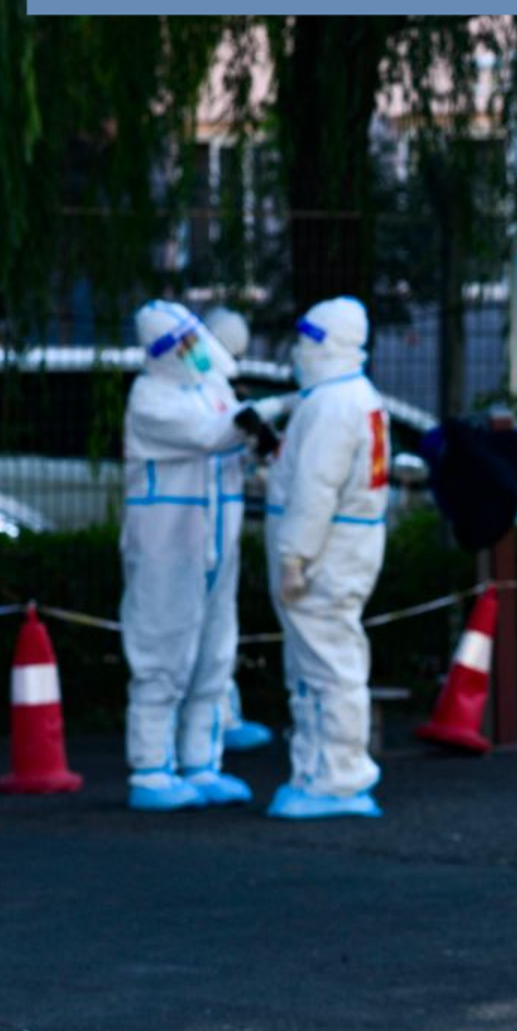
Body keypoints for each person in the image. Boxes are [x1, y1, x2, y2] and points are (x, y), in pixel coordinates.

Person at [119, 301, 273, 811]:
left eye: (190, 341)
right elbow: (208, 434)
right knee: (161, 651)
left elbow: (230, 435)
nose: (190, 354)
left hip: (215, 543)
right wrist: (254, 421)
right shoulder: (150, 398)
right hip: (167, 548)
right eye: (178, 346)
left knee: (214, 652)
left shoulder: (213, 391)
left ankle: (202, 763)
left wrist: (256, 435)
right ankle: (151, 767)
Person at [265, 296, 390, 821]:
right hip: (346, 549)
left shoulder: (330, 404)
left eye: (306, 338)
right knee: (330, 661)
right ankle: (328, 772)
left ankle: (333, 777)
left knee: (325, 667)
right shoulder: (356, 397)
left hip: (326, 556)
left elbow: (316, 489)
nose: (298, 350)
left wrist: (293, 557)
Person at [202, 304, 279, 754]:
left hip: (218, 524)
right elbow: (211, 438)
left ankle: (220, 714)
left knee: (219, 624)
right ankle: (204, 721)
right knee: (194, 628)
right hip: (196, 529)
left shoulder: (219, 393)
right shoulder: (187, 396)